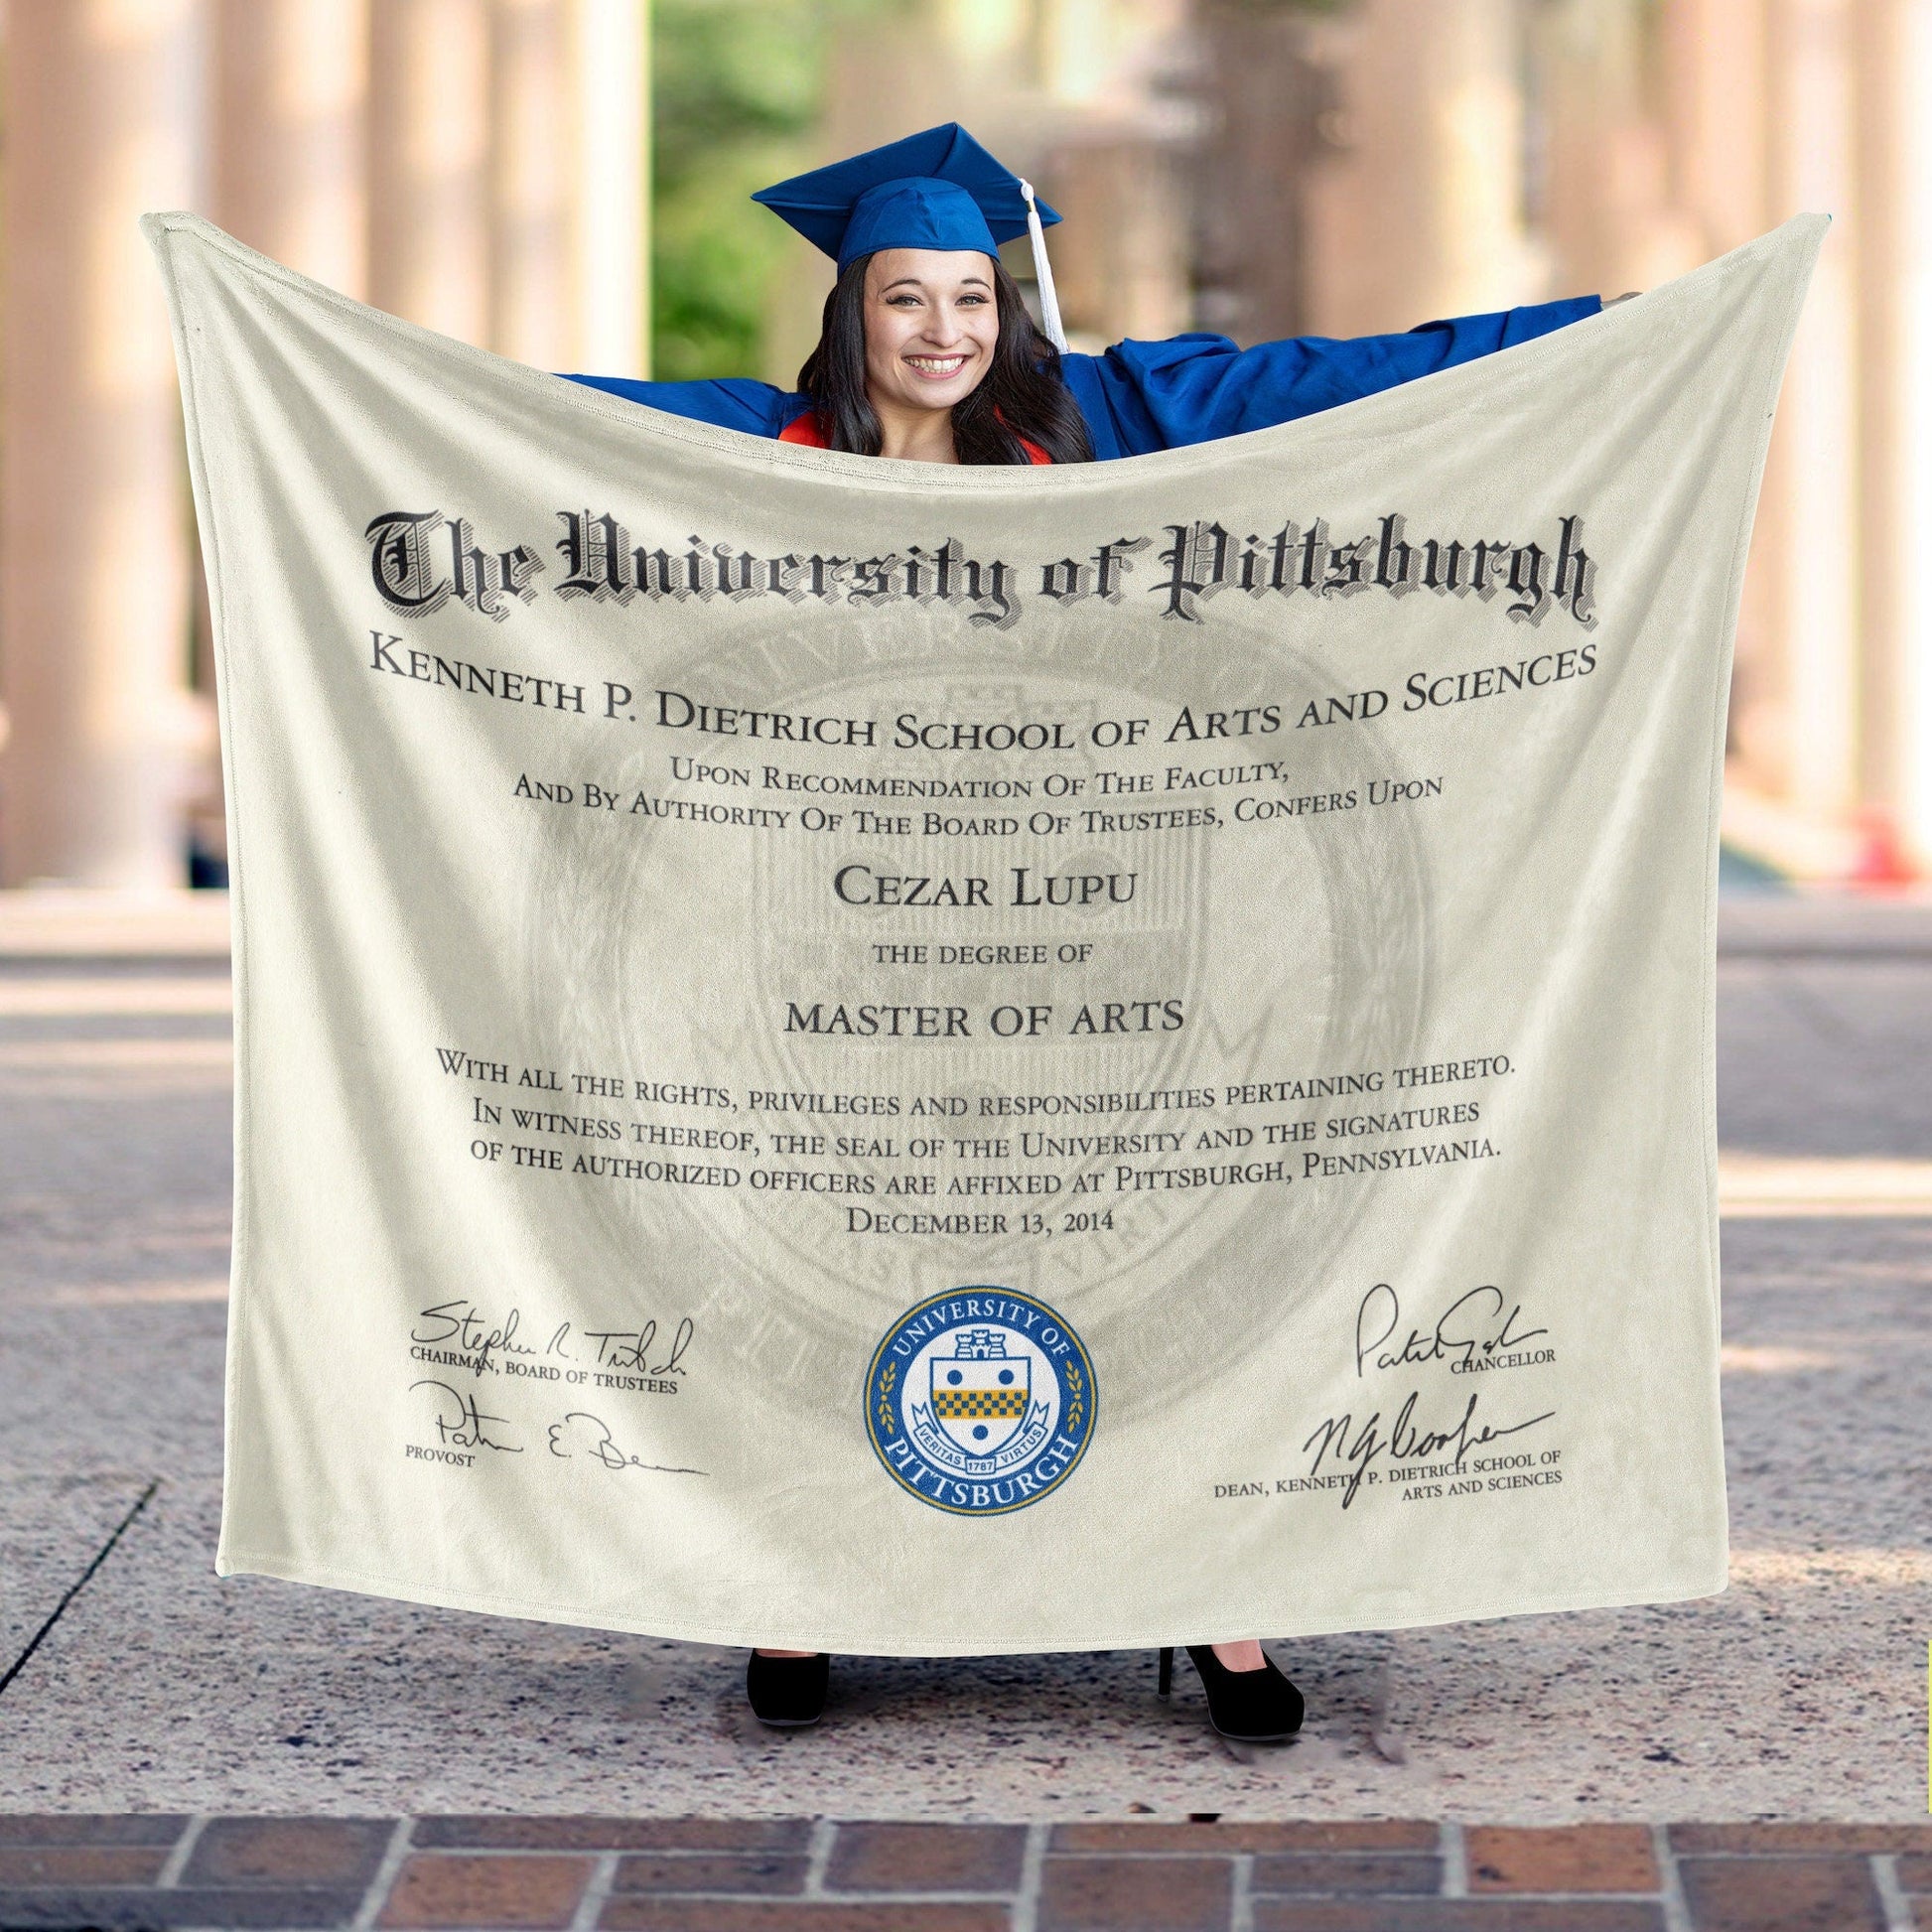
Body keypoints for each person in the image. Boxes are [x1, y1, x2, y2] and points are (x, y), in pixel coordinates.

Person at [552, 123, 1611, 1741]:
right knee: (843, 1236)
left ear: (1004, 304)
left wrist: (1602, 334)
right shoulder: (751, 444)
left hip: (1091, 922)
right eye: (904, 300)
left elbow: (1329, 380)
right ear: (852, 311)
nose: (941, 333)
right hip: (848, 936)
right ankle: (800, 1580)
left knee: (1122, 1239)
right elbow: (522, 429)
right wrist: (313, 365)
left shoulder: (1095, 418)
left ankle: (1210, 1592)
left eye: (969, 297)